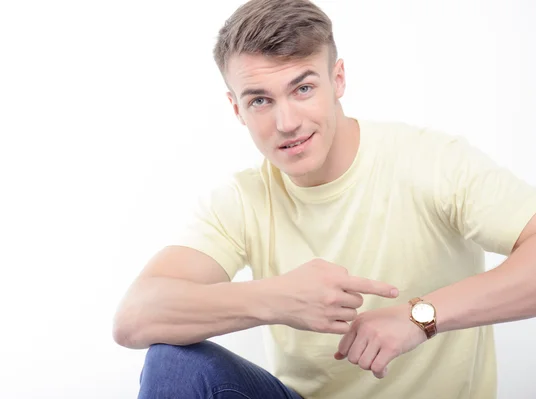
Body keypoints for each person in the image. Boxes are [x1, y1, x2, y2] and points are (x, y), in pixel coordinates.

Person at [112, 0, 536, 397]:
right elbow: (135, 317)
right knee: (174, 360)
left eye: (302, 89)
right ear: (237, 110)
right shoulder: (242, 198)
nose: (287, 123)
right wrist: (277, 298)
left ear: (338, 80)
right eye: (260, 100)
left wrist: (419, 317)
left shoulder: (431, 162)